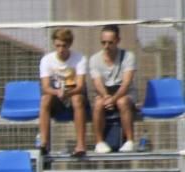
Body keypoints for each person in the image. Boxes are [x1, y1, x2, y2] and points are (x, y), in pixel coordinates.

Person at [38, 27, 88, 157]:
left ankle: (80, 145)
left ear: (70, 44)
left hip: (72, 94)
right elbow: (45, 87)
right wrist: (57, 92)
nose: (60, 49)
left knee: (78, 99)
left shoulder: (80, 58)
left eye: (64, 46)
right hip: (56, 97)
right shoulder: (46, 60)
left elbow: (81, 85)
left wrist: (67, 93)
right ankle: (44, 143)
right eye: (57, 46)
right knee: (45, 99)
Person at [90, 24, 137, 153]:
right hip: (105, 92)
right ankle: (99, 142)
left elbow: (126, 83)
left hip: (124, 92)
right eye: (103, 42)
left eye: (110, 43)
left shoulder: (128, 56)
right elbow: (97, 82)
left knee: (122, 102)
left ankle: (130, 140)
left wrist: (114, 98)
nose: (106, 46)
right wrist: (106, 97)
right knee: (98, 103)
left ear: (117, 41)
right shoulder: (94, 59)